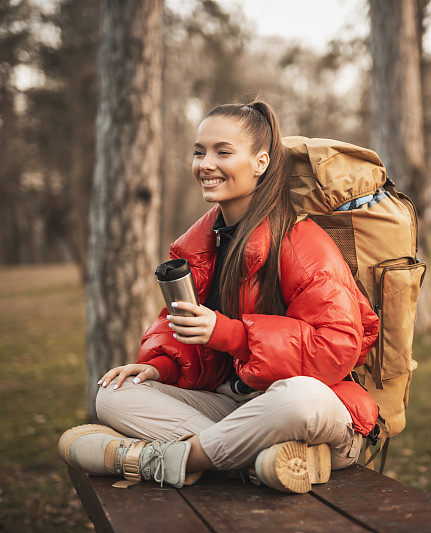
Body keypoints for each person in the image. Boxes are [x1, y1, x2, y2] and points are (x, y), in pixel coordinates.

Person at [58, 100, 380, 494]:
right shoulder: (201, 246)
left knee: (299, 398)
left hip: (318, 412)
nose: (205, 164)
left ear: (261, 162)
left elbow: (337, 347)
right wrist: (161, 367)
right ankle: (262, 460)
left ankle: (152, 460)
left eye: (223, 152)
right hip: (238, 406)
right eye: (199, 152)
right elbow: (190, 337)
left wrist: (234, 334)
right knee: (114, 394)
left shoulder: (302, 243)